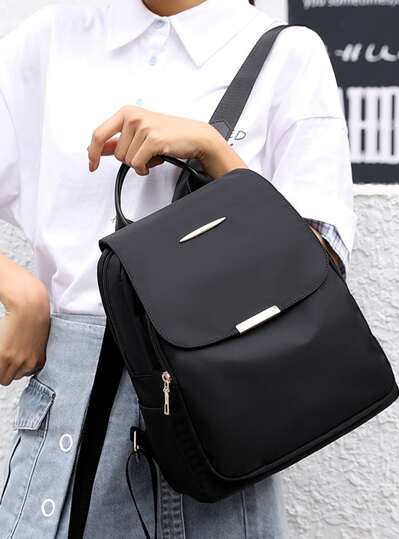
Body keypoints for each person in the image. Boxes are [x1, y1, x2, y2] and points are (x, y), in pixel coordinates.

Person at [0, 0, 356, 537]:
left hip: (209, 438)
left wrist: (214, 152)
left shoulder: (287, 54)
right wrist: (20, 292)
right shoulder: (54, 35)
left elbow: (318, 275)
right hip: (62, 429)